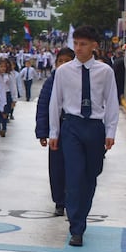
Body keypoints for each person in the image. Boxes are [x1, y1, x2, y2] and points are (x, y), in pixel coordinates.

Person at [49, 26, 119, 247]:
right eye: (76, 44)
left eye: (83, 44)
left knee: (91, 176)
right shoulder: (63, 71)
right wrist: (54, 132)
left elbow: (112, 102)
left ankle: (81, 214)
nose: (78, 48)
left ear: (94, 46)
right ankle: (76, 228)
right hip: (72, 126)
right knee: (74, 176)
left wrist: (110, 131)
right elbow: (55, 102)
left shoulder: (105, 71)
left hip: (95, 128)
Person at [36, 48, 75, 217]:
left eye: (68, 61)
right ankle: (59, 201)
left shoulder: (79, 81)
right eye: (61, 61)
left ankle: (73, 199)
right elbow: (43, 106)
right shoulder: (51, 82)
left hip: (74, 129)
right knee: (57, 167)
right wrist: (43, 132)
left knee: (75, 167)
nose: (64, 65)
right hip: (56, 131)